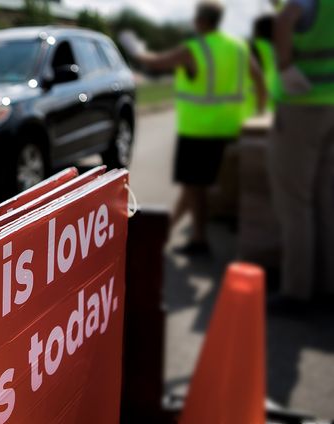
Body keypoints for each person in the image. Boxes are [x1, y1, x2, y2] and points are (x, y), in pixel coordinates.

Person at [121, 0, 266, 255]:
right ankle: (165, 231)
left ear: (201, 21)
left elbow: (155, 62)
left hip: (199, 130)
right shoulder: (239, 47)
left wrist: (133, 46)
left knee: (196, 187)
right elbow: (260, 82)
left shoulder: (195, 49)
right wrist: (258, 116)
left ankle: (198, 240)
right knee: (193, 185)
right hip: (231, 127)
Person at [267, 0, 334, 307]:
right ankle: (325, 284)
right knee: (325, 198)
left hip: (303, 105)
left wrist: (285, 67)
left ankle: (297, 291)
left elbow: (285, 20)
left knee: (295, 200)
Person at [244, 15, 279, 117]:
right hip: (274, 106)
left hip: (253, 106)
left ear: (258, 31)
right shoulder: (280, 49)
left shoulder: (251, 47)